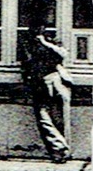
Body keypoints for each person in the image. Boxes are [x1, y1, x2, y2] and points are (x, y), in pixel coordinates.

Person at [20, 23, 73, 163]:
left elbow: (63, 55)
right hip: (40, 81)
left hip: (57, 79)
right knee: (44, 117)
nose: (38, 31)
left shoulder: (53, 41)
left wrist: (45, 42)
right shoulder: (27, 44)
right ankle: (58, 149)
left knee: (60, 117)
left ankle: (63, 151)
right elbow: (27, 63)